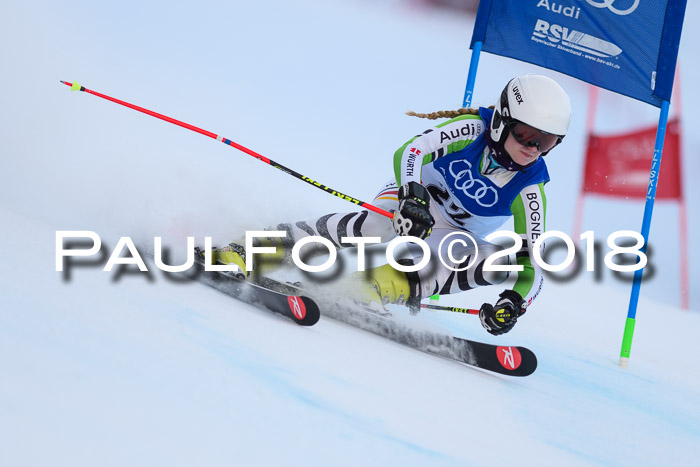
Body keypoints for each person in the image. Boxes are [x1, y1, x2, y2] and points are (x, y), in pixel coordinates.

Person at [210, 74, 571, 336]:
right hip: (415, 199)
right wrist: (411, 195)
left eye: (547, 141)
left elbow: (534, 264)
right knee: (375, 227)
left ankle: (368, 289)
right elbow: (411, 151)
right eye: (526, 134)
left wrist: (513, 303)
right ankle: (248, 250)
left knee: (494, 261)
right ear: (502, 121)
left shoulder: (530, 187)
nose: (533, 149)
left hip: (455, 237)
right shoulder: (471, 129)